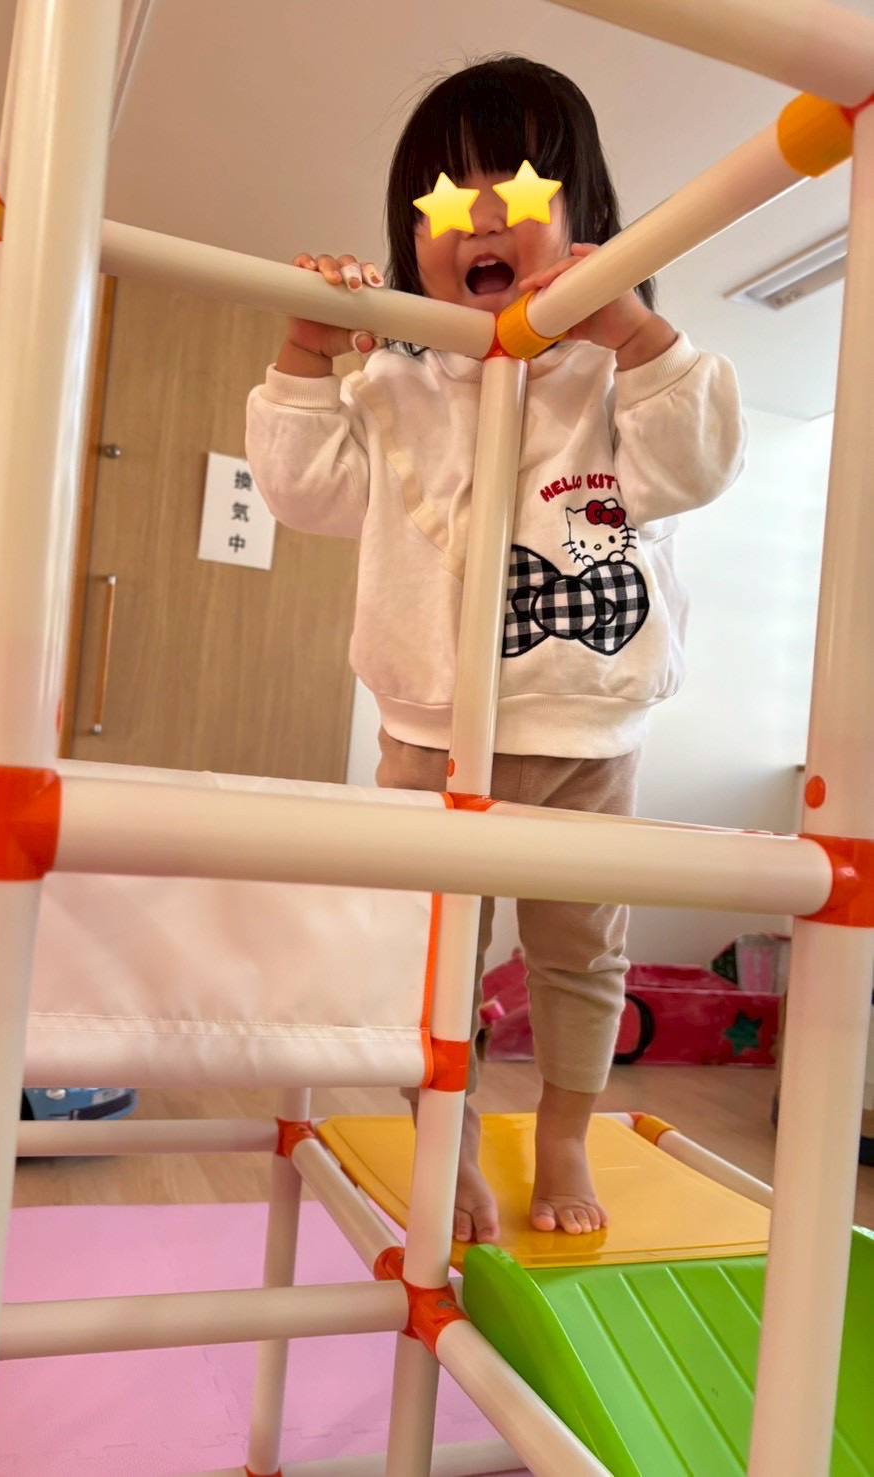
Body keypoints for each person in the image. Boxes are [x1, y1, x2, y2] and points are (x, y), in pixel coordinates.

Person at [245, 55, 746, 1242]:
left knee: (579, 957)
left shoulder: (616, 378)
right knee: (426, 961)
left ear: (583, 222)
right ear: (409, 240)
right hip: (428, 739)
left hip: (585, 737)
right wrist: (308, 354)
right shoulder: (396, 381)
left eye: (513, 188)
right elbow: (304, 490)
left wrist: (629, 324)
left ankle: (565, 1129)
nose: (475, 217)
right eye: (441, 197)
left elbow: (699, 464)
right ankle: (450, 1137)